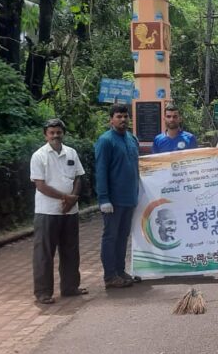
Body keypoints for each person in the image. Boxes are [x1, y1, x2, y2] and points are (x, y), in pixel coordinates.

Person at [30, 119, 87, 304]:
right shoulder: (39, 156)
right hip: (47, 212)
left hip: (70, 212)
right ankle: (43, 293)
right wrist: (65, 198)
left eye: (58, 132)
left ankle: (70, 287)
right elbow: (40, 185)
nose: (55, 135)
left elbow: (79, 176)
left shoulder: (71, 152)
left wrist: (73, 198)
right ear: (45, 135)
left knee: (71, 251)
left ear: (63, 133)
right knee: (44, 254)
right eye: (51, 132)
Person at [96, 104, 141, 289]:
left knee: (123, 236)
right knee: (111, 237)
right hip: (113, 201)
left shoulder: (132, 139)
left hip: (129, 198)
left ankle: (120, 271)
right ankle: (110, 275)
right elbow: (101, 170)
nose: (123, 120)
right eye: (119, 116)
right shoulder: (105, 141)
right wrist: (104, 198)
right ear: (111, 120)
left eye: (125, 116)